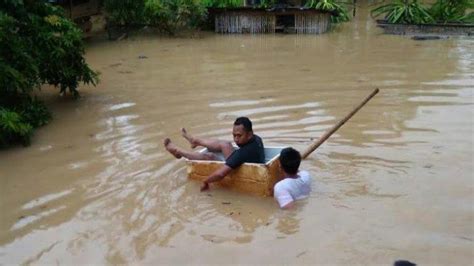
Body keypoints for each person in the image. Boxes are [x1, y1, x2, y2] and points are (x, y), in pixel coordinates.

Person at [163, 117, 265, 191]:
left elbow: (220, 174)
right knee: (225, 144)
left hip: (244, 170)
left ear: (249, 134)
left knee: (210, 156)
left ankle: (178, 151)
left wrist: (206, 181)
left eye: (239, 136)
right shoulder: (256, 139)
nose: (236, 139)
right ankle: (195, 141)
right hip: (246, 160)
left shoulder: (242, 153)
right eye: (234, 135)